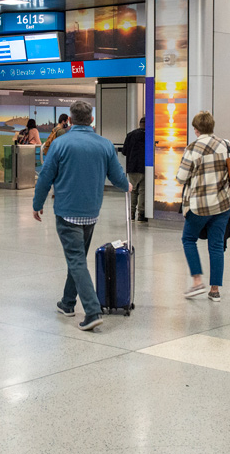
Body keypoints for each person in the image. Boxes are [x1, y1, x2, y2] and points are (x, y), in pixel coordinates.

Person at [33, 101, 130, 332]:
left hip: (67, 212)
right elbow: (117, 176)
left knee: (76, 259)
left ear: (72, 120)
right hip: (91, 213)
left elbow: (46, 176)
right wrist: (127, 185)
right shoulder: (105, 144)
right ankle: (67, 303)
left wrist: (37, 204)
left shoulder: (60, 144)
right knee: (77, 259)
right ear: (91, 120)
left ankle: (92, 311)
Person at [177, 111, 230, 302]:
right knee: (216, 245)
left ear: (195, 129)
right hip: (223, 204)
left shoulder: (192, 148)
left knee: (188, 239)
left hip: (199, 205)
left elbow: (181, 178)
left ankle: (196, 282)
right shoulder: (225, 144)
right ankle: (215, 290)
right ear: (212, 126)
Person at [121, 116, 146, 222]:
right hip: (144, 168)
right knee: (143, 191)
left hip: (132, 167)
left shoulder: (130, 135)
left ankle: (131, 214)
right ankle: (142, 214)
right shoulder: (149, 136)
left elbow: (124, 151)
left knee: (133, 190)